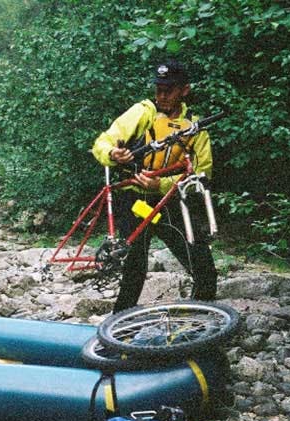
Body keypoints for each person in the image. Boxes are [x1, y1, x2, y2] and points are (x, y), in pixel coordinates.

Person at [91, 59, 217, 312]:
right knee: (134, 266)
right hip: (134, 200)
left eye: (168, 90)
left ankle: (201, 321)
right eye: (158, 89)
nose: (161, 96)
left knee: (202, 265)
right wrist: (114, 154)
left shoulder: (195, 126)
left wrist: (162, 183)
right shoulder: (142, 112)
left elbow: (203, 173)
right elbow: (102, 142)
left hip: (169, 201)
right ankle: (120, 328)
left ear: (184, 90)